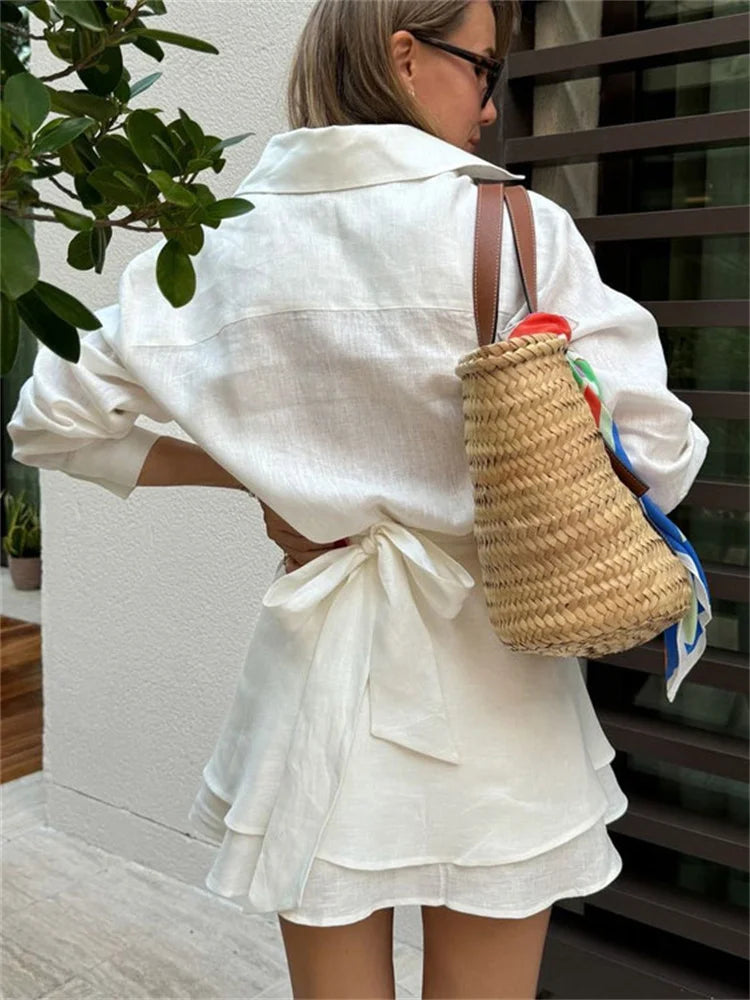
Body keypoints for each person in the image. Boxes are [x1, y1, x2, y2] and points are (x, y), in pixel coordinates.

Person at [7, 1, 710, 997]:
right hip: (497, 672)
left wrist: (250, 471)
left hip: (320, 677)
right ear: (404, 54)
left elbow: (50, 420)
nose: (491, 106)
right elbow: (663, 455)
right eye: (484, 68)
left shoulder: (222, 243)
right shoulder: (510, 228)